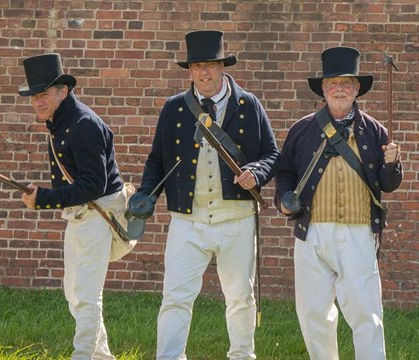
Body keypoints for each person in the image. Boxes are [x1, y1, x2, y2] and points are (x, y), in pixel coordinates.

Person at [133, 30, 280, 359]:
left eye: (210, 64)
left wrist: (256, 173)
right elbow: (157, 160)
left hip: (237, 219)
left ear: (222, 66)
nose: (203, 72)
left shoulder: (248, 104)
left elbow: (272, 154)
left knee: (241, 297)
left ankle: (242, 355)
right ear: (190, 70)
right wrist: (146, 195)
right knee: (175, 296)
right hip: (188, 221)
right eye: (197, 65)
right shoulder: (174, 108)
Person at [274, 46, 402, 360]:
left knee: (366, 314)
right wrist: (283, 202)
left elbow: (389, 184)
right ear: (323, 88)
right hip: (312, 231)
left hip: (358, 233)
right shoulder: (302, 129)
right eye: (333, 82)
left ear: (357, 88)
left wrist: (393, 163)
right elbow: (285, 173)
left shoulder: (375, 131)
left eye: (347, 82)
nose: (340, 88)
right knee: (314, 313)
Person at [18, 53, 125, 360]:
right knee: (75, 293)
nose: (37, 102)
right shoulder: (59, 122)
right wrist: (45, 198)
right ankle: (102, 357)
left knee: (87, 295)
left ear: (63, 92)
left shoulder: (84, 125)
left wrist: (45, 199)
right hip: (80, 215)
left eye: (43, 95)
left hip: (97, 214)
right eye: (34, 97)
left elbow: (94, 185)